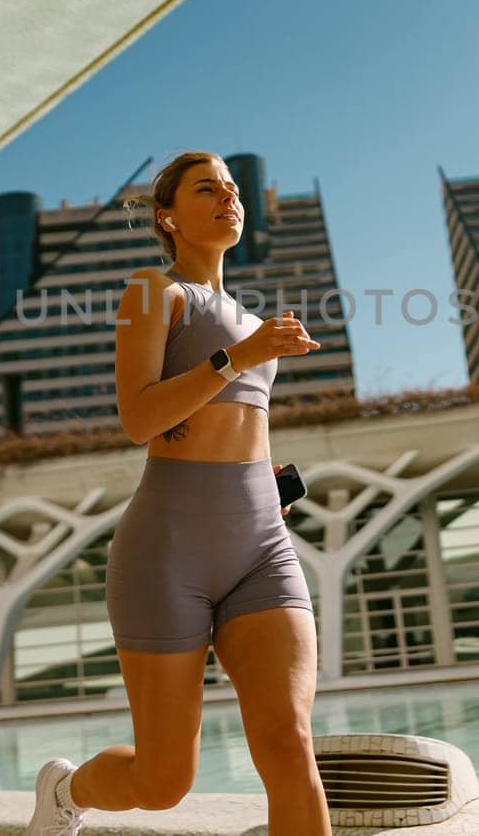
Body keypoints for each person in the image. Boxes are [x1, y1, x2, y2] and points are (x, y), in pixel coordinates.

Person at [25, 151, 332, 835]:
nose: (228, 196)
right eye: (207, 188)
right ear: (169, 217)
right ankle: (66, 791)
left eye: (231, 186)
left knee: (288, 743)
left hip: (260, 548)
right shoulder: (155, 292)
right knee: (165, 781)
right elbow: (139, 416)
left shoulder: (256, 321)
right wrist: (235, 358)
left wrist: (271, 487)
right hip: (167, 554)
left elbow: (245, 426)